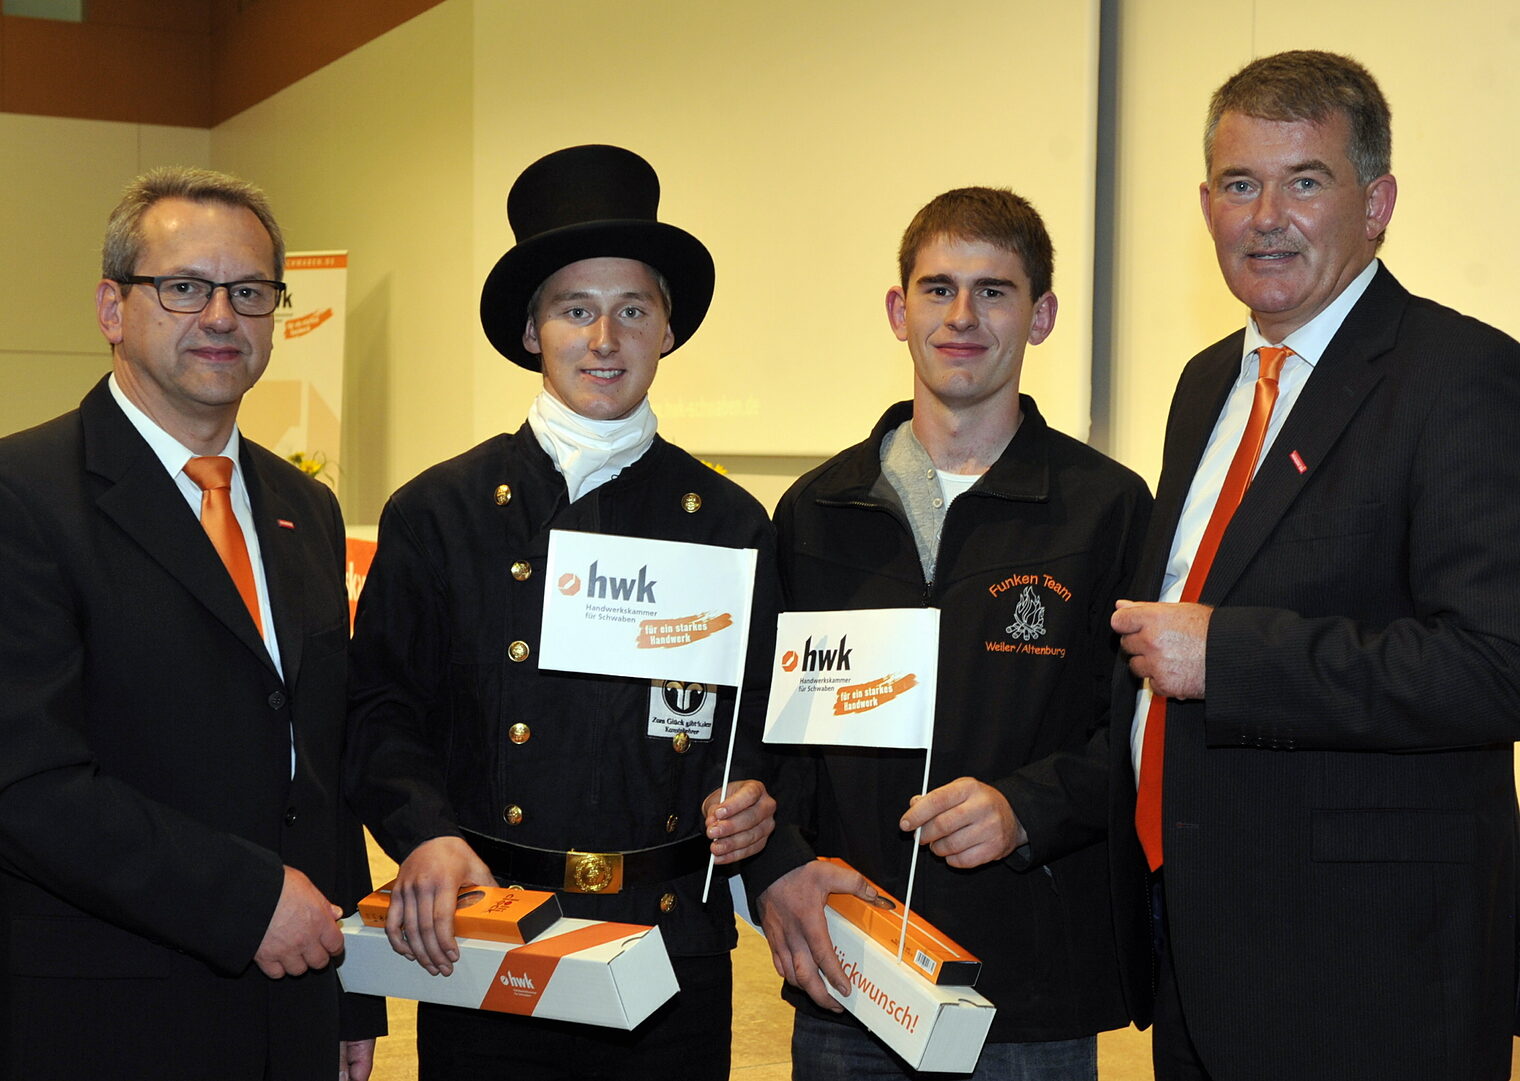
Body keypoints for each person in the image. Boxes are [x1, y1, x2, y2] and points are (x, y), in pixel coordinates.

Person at [1111, 49, 1520, 1081]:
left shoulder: (1461, 376)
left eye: (1304, 181)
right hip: (1197, 941)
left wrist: (1230, 658)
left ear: (1376, 202)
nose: (1264, 217)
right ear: (1204, 204)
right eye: (1239, 185)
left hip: (1368, 972)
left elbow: (1491, 665)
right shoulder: (1205, 382)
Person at [345, 144, 780, 1081]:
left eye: (633, 309)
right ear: (533, 330)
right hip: (492, 936)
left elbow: (757, 720)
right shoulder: (438, 513)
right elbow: (380, 712)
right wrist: (425, 832)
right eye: (576, 310)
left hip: (669, 947)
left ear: (668, 328)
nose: (605, 339)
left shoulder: (734, 525)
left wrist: (750, 795)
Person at [751, 187, 1153, 1079]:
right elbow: (763, 732)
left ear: (1041, 315)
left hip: (1028, 988)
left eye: (994, 291)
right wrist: (780, 866)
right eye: (937, 289)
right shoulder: (816, 510)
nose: (962, 317)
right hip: (847, 978)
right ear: (899, 311)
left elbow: (1140, 734)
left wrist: (1028, 807)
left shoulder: (1107, 510)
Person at [0, 167, 382, 1080]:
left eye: (250, 292)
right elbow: (28, 784)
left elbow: (317, 765)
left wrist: (350, 990)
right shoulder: (24, 496)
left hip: (290, 997)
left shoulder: (306, 508)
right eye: (183, 287)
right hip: (102, 1010)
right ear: (111, 307)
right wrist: (247, 900)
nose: (221, 316)